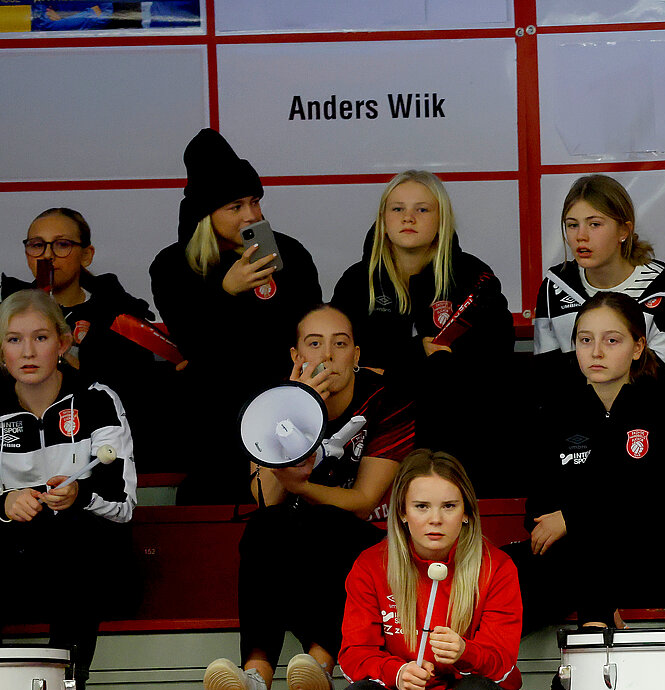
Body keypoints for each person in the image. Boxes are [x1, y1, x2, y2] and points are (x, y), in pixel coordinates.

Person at [203, 305, 415, 690]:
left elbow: (363, 501)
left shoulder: (387, 398)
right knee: (263, 529)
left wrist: (302, 487)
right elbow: (264, 495)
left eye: (340, 344)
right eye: (313, 344)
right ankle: (255, 676)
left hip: (366, 538)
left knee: (328, 525)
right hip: (294, 537)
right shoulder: (275, 402)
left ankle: (320, 665)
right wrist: (295, 408)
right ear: (295, 357)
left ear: (356, 354)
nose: (327, 356)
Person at [149, 128, 321, 502]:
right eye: (235, 206)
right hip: (215, 418)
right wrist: (225, 291)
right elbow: (195, 344)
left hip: (285, 409)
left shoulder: (289, 254)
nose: (251, 215)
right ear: (205, 213)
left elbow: (309, 330)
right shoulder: (172, 266)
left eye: (255, 202)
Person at [510, 291, 665, 630]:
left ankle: (591, 644)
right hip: (571, 558)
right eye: (585, 340)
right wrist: (580, 519)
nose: (596, 352)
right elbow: (540, 513)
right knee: (502, 570)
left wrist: (574, 517)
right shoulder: (554, 412)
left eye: (611, 340)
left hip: (646, 555)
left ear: (638, 347)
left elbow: (661, 505)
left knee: (596, 555)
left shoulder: (664, 408)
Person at [328, 170, 511, 488]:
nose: (408, 217)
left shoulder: (473, 278)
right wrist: (417, 355)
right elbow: (344, 366)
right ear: (383, 218)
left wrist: (392, 369)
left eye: (422, 209)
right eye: (397, 209)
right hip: (373, 437)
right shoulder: (356, 282)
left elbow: (489, 367)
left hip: (458, 436)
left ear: (442, 219)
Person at [0, 289, 138, 690]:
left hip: (89, 561)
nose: (27, 351)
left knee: (74, 533)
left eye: (40, 338)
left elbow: (125, 504)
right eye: (13, 339)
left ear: (62, 344)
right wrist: (4, 503)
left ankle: (68, 689)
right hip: (18, 560)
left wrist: (80, 494)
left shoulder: (97, 401)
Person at [331, 449, 522, 690]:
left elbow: (503, 665)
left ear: (467, 512)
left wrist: (465, 653)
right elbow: (354, 654)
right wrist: (397, 672)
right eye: (421, 506)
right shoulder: (371, 566)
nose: (435, 519)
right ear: (402, 513)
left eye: (448, 506)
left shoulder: (496, 568)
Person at [2, 208, 177, 470]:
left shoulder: (119, 317)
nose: (48, 255)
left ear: (87, 254)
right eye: (37, 245)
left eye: (62, 245)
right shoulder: (7, 315)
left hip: (102, 453)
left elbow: (142, 397)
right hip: (23, 459)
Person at [532, 174, 665, 397]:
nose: (581, 236)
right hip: (575, 418)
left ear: (624, 231)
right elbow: (546, 376)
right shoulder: (554, 286)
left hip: (648, 419)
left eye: (595, 224)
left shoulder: (663, 288)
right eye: (572, 225)